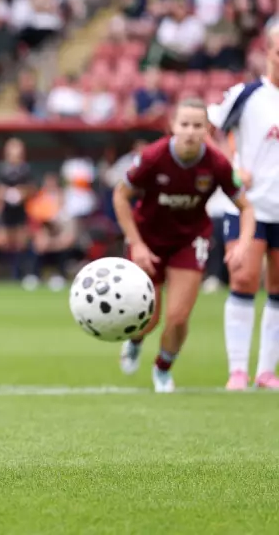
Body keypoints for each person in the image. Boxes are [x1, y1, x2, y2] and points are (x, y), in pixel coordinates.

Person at [113, 98, 254, 393]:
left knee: (178, 316)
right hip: (148, 241)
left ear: (207, 129)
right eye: (185, 124)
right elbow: (120, 196)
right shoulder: (153, 157)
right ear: (172, 127)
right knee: (148, 318)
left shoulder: (216, 163)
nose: (190, 131)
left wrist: (243, 243)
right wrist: (136, 244)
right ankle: (136, 340)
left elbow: (246, 207)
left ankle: (162, 368)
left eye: (197, 125)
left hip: (189, 241)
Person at [208, 20, 279, 389]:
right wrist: (232, 167)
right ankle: (238, 369)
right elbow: (210, 128)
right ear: (268, 52)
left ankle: (267, 372)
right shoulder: (248, 94)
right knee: (244, 278)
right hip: (249, 206)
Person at [0, 138, 34, 281]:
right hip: (5, 212)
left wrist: (20, 193)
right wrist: (5, 193)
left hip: (20, 212)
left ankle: (22, 274)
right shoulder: (1, 169)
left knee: (21, 244)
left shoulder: (26, 169)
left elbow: (31, 189)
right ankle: (1, 274)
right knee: (2, 242)